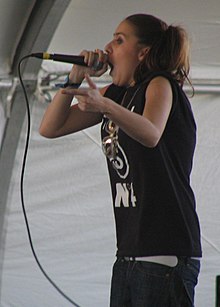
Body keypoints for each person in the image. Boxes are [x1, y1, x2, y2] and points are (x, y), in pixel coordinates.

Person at [39, 13, 202, 307]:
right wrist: (73, 78)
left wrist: (105, 106)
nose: (108, 47)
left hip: (163, 253)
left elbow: (151, 133)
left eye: (119, 39)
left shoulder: (160, 85)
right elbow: (51, 128)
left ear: (143, 52)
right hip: (128, 252)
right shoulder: (116, 95)